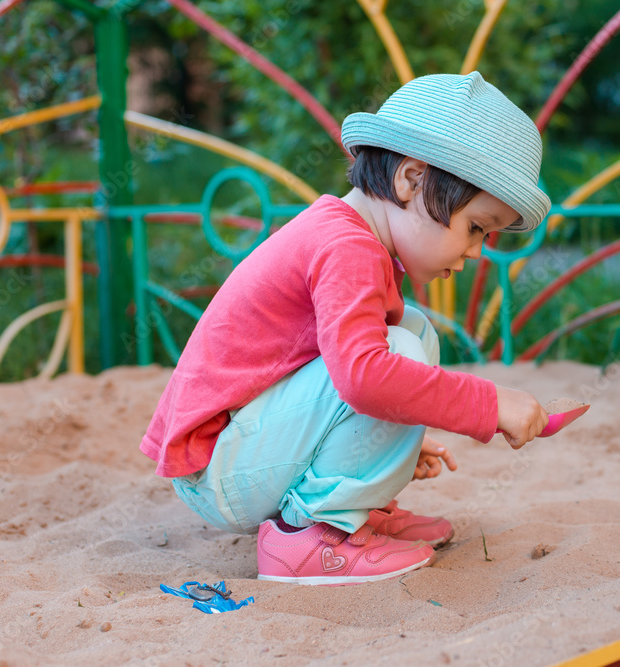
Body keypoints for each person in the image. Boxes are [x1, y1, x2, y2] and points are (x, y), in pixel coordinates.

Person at [140, 71, 551, 586]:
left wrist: (387, 442)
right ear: (411, 178)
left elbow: (332, 378)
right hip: (219, 470)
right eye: (475, 227)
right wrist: (489, 405)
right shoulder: (347, 248)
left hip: (240, 452)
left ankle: (352, 508)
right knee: (399, 349)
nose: (475, 253)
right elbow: (363, 379)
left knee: (414, 332)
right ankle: (316, 537)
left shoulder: (348, 236)